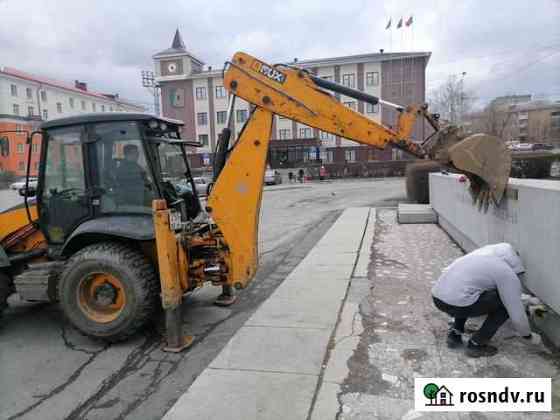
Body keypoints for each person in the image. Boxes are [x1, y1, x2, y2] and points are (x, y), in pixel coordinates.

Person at [432, 243, 540, 358]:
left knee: (468, 293)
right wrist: (527, 335)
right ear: (515, 264)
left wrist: (523, 298)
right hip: (459, 303)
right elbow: (516, 312)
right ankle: (476, 344)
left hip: (438, 299)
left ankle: (455, 334)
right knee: (505, 306)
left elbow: (458, 284)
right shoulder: (505, 271)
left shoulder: (477, 257)